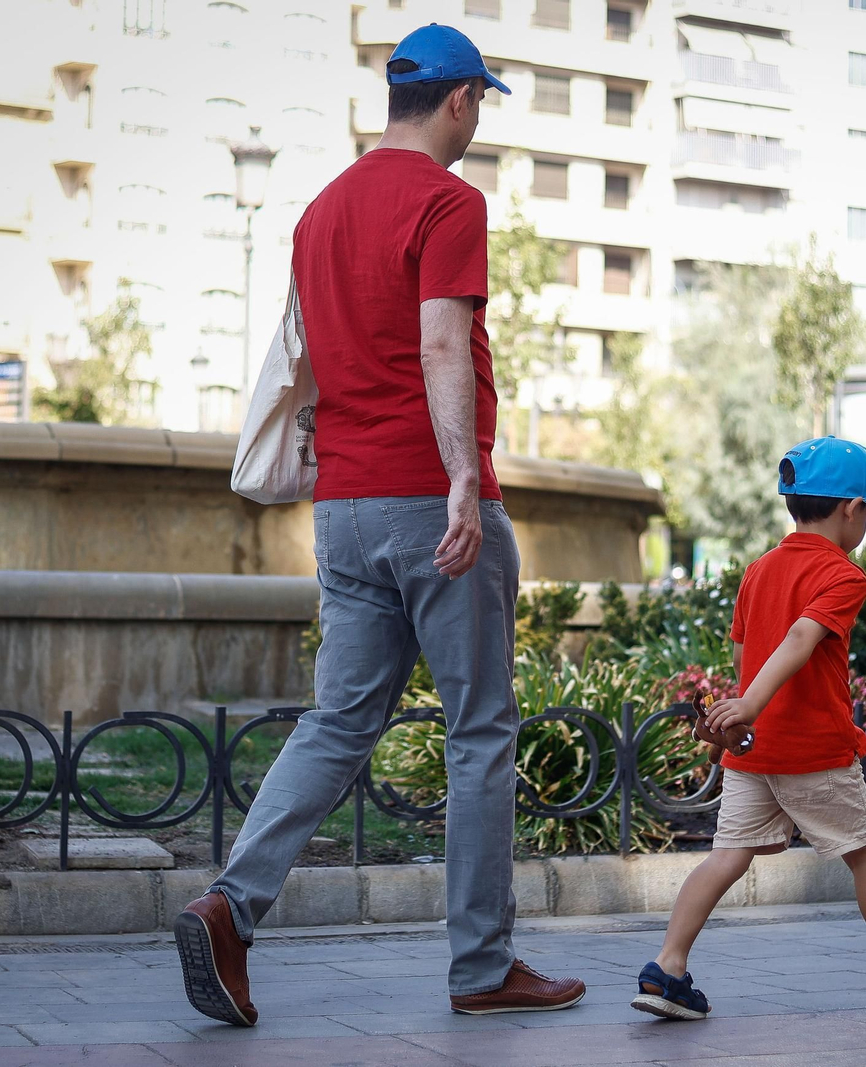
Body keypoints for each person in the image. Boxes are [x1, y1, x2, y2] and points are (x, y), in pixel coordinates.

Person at [173, 23, 584, 1026]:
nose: (476, 119)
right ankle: (482, 964)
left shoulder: (320, 210)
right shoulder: (450, 201)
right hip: (429, 499)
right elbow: (442, 343)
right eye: (479, 102)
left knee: (340, 717)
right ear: (459, 102)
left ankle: (232, 903)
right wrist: (458, 481)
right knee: (480, 728)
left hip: (344, 506)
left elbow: (308, 355)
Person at [630, 437, 866, 1022]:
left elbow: (743, 649)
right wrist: (751, 707)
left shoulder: (759, 570)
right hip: (814, 749)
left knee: (727, 856)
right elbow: (802, 639)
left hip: (754, 752)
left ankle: (668, 967)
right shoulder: (843, 575)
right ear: (851, 509)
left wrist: (740, 717)